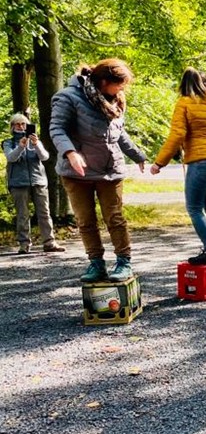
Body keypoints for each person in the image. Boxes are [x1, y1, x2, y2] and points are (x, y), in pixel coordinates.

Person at [50, 59, 147, 282]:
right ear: (104, 81)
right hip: (77, 173)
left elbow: (119, 133)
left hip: (109, 170)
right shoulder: (68, 97)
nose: (123, 88)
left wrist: (137, 155)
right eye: (119, 84)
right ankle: (96, 264)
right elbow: (57, 128)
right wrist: (70, 153)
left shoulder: (116, 100)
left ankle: (124, 262)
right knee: (86, 221)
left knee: (115, 217)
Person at [151, 68, 206, 265]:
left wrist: (159, 162)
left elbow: (177, 135)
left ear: (184, 85)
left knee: (195, 208)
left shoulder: (185, 103)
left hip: (201, 162)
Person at [3, 113, 64, 254]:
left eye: (23, 124)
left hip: (38, 181)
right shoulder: (8, 142)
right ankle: (24, 244)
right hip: (18, 183)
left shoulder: (36, 141)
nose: (20, 126)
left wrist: (36, 145)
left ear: (27, 125)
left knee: (44, 213)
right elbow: (11, 158)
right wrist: (20, 147)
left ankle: (49, 242)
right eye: (17, 124)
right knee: (22, 214)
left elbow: (45, 156)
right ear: (12, 127)